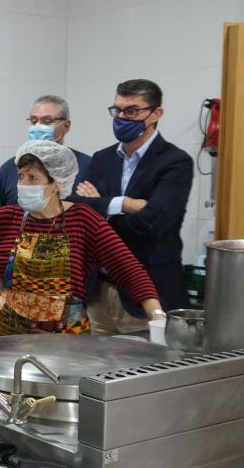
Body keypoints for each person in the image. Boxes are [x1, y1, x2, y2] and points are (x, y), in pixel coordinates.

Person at [0, 140, 165, 338]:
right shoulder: (7, 217)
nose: (23, 185)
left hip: (63, 338)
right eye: (21, 177)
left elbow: (129, 269)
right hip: (2, 332)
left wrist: (156, 316)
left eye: (33, 178)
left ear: (57, 183)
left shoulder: (83, 219)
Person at [70, 79, 192, 334]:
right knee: (99, 369)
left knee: (145, 370)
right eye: (118, 110)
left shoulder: (175, 162)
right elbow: (76, 209)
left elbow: (153, 223)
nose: (122, 117)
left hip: (147, 294)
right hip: (100, 292)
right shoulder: (102, 159)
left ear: (155, 113)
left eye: (132, 111)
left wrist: (101, 210)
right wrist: (124, 204)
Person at [0, 95, 91, 208]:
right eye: (34, 121)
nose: (38, 126)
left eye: (47, 121)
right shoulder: (9, 168)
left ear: (66, 126)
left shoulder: (88, 166)